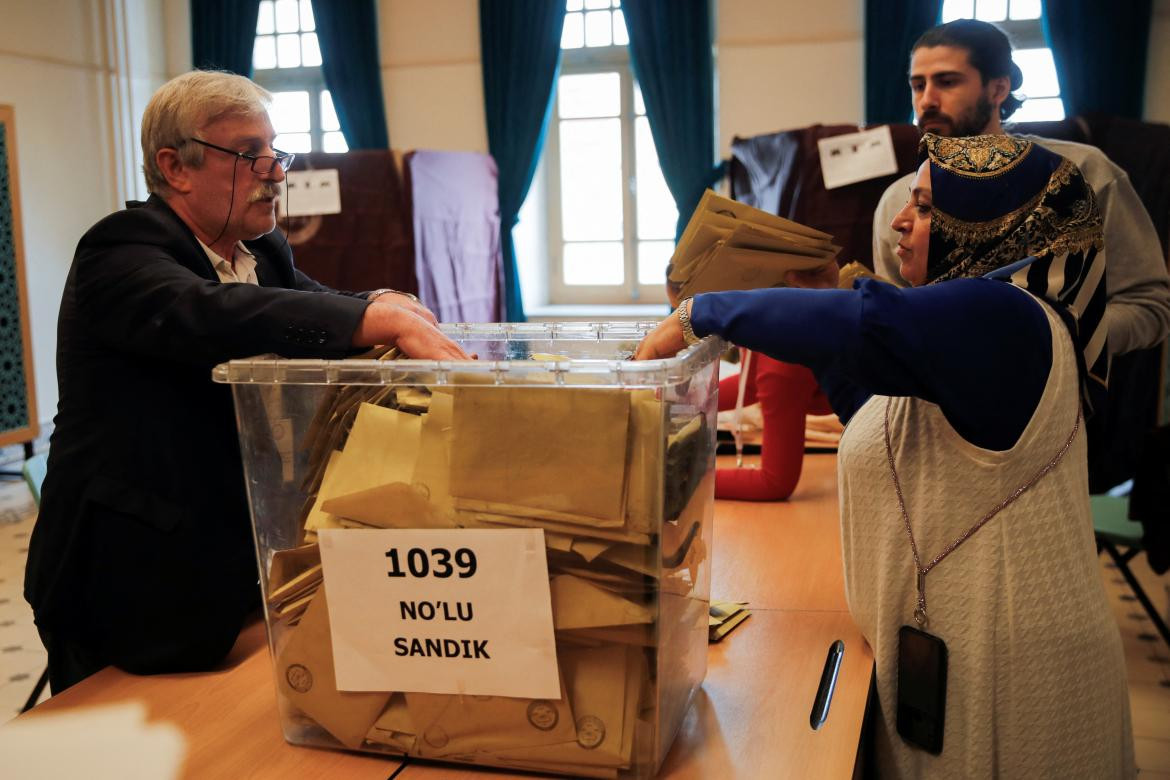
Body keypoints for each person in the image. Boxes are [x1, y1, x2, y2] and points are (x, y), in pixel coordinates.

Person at [637, 134, 1134, 776]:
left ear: (995, 222)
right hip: (958, 649)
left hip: (1010, 663)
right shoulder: (971, 336)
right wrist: (822, 302)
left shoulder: (1006, 316)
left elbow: (868, 324)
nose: (899, 216)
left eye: (926, 207)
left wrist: (698, 313)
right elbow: (880, 418)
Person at [24, 70, 471, 693]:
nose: (275, 171)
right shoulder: (119, 251)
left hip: (237, 565)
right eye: (249, 154)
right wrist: (368, 316)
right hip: (132, 583)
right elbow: (212, 315)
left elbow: (313, 306)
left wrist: (379, 303)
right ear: (175, 167)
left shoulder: (260, 252)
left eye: (275, 152)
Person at [872, 18, 1170, 356]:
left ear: (998, 89)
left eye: (947, 82)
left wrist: (1049, 342)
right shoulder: (897, 201)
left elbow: (1147, 304)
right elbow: (894, 320)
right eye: (917, 85)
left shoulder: (1082, 173)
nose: (926, 100)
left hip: (1058, 397)